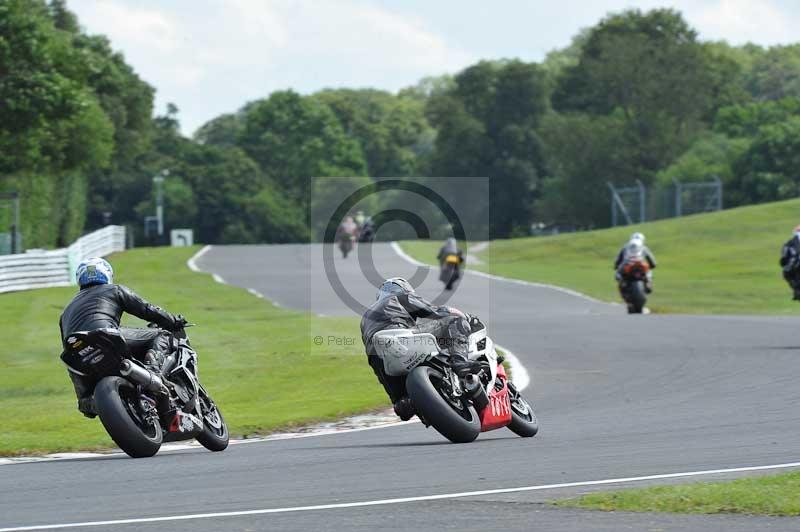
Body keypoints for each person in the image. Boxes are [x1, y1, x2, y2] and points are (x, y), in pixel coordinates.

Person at [59, 257, 185, 418]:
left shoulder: (66, 312)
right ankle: (154, 374)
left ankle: (89, 402)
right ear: (106, 274)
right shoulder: (113, 289)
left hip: (76, 352)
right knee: (161, 334)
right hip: (106, 336)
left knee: (84, 402)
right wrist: (173, 321)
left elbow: (65, 342)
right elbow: (146, 309)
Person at [360, 277, 477, 421]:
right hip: (401, 336)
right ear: (402, 288)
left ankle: (406, 403)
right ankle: (460, 362)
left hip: (378, 357)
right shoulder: (400, 297)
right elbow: (434, 311)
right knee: (455, 321)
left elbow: (370, 351)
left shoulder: (365, 318)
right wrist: (462, 314)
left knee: (401, 404)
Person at [780, 225, 800, 300]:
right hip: (796, 264)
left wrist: (783, 263)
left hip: (794, 264)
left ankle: (797, 291)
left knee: (786, 273)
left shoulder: (789, 242)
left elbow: (784, 258)